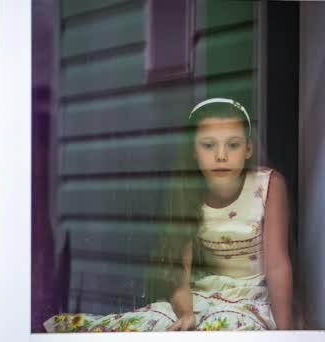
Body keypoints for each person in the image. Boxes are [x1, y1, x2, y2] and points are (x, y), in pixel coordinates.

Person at [43, 98, 293, 332]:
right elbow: (178, 275)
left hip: (249, 301)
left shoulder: (267, 185)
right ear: (194, 151)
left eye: (233, 144)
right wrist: (185, 314)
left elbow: (277, 264)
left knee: (220, 327)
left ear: (248, 149)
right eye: (208, 145)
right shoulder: (188, 192)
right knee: (148, 324)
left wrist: (287, 333)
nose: (221, 155)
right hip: (201, 297)